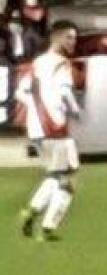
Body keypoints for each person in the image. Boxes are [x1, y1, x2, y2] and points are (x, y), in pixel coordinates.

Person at [17, 20, 82, 242]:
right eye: (69, 37)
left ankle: (31, 212)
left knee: (55, 175)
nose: (73, 42)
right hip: (55, 128)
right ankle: (47, 227)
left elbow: (21, 93)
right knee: (68, 180)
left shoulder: (37, 63)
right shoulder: (62, 64)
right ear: (56, 38)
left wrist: (36, 111)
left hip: (37, 130)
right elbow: (65, 93)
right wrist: (76, 111)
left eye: (74, 38)